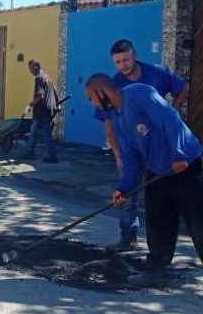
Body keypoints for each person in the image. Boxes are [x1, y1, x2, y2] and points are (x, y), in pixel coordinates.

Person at [86, 74, 203, 285]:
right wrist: (123, 188)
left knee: (197, 220)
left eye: (90, 98)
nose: (92, 104)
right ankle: (157, 267)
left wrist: (179, 154)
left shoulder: (140, 94)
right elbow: (132, 156)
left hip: (186, 165)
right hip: (158, 170)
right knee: (157, 219)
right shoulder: (117, 117)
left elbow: (171, 120)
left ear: (100, 92)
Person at [97, 39, 189, 251]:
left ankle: (163, 247)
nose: (123, 65)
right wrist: (117, 154)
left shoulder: (156, 73)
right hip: (132, 149)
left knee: (164, 195)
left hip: (162, 147)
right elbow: (109, 124)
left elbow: (183, 88)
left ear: (135, 55)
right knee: (127, 192)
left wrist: (174, 108)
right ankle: (128, 237)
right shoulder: (114, 85)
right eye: (118, 62)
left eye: (126, 59)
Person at [25, 59, 59, 163]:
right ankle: (50, 155)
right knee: (46, 134)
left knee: (34, 131)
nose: (30, 71)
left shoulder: (39, 78)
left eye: (31, 69)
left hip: (41, 111)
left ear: (36, 67)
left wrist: (31, 104)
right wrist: (58, 104)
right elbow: (55, 91)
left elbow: (40, 95)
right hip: (49, 110)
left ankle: (30, 152)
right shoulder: (47, 77)